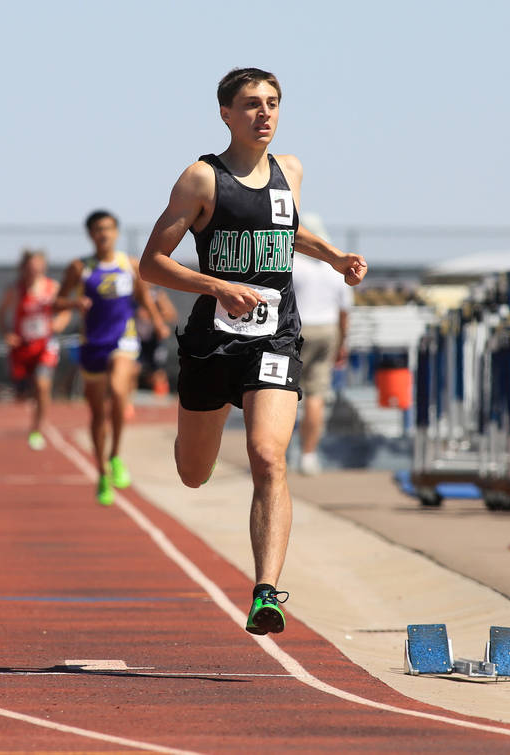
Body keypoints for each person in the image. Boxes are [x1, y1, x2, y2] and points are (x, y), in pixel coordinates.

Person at [138, 68, 366, 635]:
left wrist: (334, 256)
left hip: (275, 336)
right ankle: (198, 425)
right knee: (194, 473)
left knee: (268, 456)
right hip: (212, 342)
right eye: (249, 105)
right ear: (225, 114)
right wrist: (217, 286)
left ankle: (266, 591)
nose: (263, 114)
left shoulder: (291, 171)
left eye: (272, 104)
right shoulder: (201, 180)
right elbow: (151, 263)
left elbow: (286, 232)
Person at [57, 209, 170, 506]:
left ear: (116, 232)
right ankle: (102, 472)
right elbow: (56, 302)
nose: (104, 234)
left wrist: (157, 322)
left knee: (119, 392)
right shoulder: (79, 267)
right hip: (93, 343)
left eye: (108, 228)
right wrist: (72, 302)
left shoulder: (128, 265)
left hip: (124, 339)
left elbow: (145, 297)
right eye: (98, 229)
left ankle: (116, 454)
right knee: (96, 415)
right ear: (91, 235)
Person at [291, 213, 353, 476]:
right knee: (316, 395)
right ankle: (308, 456)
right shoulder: (333, 268)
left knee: (283, 394)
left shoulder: (293, 265)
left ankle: (279, 452)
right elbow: (344, 311)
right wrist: (342, 343)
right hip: (327, 330)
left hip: (296, 330)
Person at [0, 248, 71, 450]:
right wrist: (7, 333)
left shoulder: (52, 287)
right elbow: (1, 313)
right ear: (24, 268)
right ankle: (31, 400)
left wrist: (59, 323)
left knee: (42, 385)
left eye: (38, 266)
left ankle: (37, 428)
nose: (34, 270)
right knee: (22, 394)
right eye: (30, 267)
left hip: (45, 345)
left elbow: (65, 310)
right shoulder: (15, 289)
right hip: (22, 346)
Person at [135, 285, 178, 396]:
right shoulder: (133, 291)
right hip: (136, 337)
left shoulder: (157, 294)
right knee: (132, 369)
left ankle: (161, 402)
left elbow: (171, 314)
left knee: (157, 373)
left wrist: (155, 317)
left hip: (154, 338)